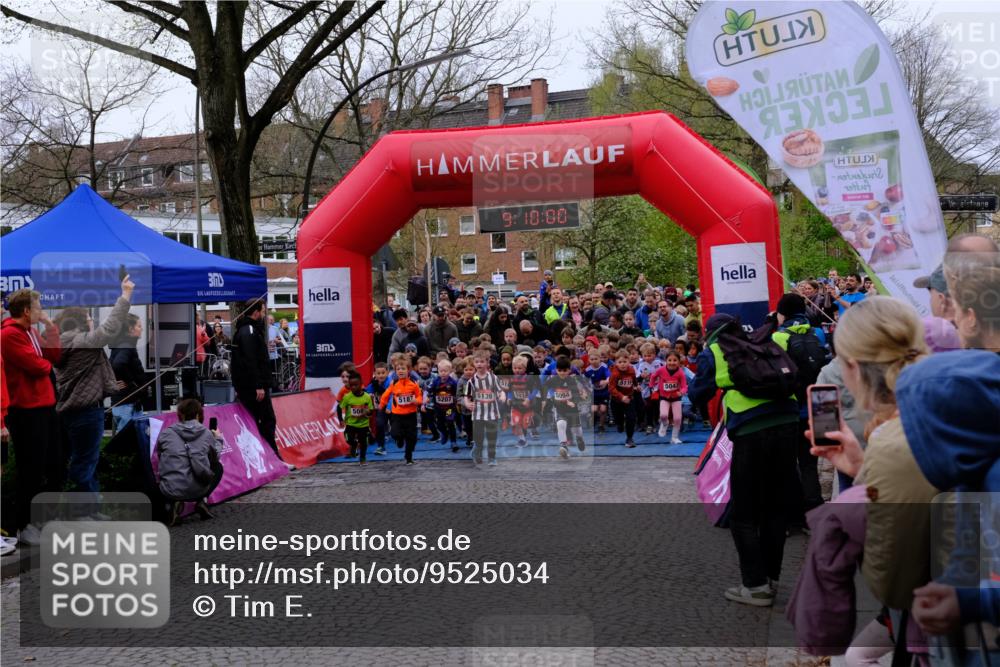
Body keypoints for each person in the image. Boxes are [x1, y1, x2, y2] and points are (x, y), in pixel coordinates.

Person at [689, 312, 800, 607]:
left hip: (753, 432)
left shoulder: (713, 351)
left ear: (710, 333)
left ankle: (755, 586)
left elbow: (698, 393)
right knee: (775, 508)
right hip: (789, 424)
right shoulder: (766, 340)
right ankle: (771, 579)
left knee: (743, 513)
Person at [54, 275, 134, 515]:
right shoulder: (81, 343)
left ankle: (91, 508)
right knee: (85, 461)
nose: (92, 322)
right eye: (89, 318)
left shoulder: (62, 343)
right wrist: (126, 295)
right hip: (87, 411)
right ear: (80, 323)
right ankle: (84, 512)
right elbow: (109, 329)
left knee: (85, 459)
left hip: (72, 411)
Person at [0, 288, 62, 545]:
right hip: (26, 410)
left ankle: (43, 518)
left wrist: (50, 327)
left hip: (45, 406)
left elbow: (53, 356)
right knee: (31, 469)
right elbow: (38, 366)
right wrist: (45, 363)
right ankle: (23, 524)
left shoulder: (32, 332)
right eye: (38, 308)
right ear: (26, 311)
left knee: (56, 463)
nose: (41, 312)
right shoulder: (9, 335)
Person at [156, 397, 223, 526]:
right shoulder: (207, 434)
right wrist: (218, 439)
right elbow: (215, 457)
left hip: (170, 489)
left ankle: (174, 504)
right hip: (198, 489)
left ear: (180, 415)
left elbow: (160, 457)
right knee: (218, 467)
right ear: (198, 415)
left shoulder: (166, 433)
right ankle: (201, 501)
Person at [231, 298, 281, 460]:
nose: (265, 314)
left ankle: (269, 456)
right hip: (252, 387)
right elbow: (250, 360)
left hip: (250, 385)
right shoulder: (249, 331)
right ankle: (272, 457)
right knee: (267, 420)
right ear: (256, 311)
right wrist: (258, 385)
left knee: (264, 420)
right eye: (263, 310)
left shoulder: (248, 330)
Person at [463, 350, 506, 467]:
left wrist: (502, 396)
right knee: (479, 437)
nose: (479, 364)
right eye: (477, 362)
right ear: (474, 363)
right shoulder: (471, 381)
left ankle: (492, 458)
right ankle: (478, 453)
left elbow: (500, 390)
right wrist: (467, 403)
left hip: (492, 413)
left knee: (492, 437)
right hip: (478, 414)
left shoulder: (493, 378)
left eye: (482, 362)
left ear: (487, 363)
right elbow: (467, 396)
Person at [379, 356, 422, 464]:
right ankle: (399, 439)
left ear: (408, 370)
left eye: (403, 369)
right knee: (395, 433)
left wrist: (416, 401)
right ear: (395, 371)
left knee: (412, 437)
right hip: (397, 414)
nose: (400, 371)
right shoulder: (394, 383)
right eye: (398, 369)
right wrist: (382, 405)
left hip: (411, 415)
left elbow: (419, 397)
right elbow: (386, 395)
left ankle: (409, 457)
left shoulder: (414, 384)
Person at [109, 313, 145, 434]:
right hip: (126, 403)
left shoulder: (121, 344)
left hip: (127, 401)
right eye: (139, 326)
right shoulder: (126, 346)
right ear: (130, 329)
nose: (142, 329)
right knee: (126, 440)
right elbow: (118, 365)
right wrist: (132, 383)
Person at [547, 356, 588, 458]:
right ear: (556, 370)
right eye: (559, 370)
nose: (562, 373)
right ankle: (563, 446)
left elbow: (576, 394)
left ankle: (579, 439)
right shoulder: (553, 380)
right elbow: (544, 387)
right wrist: (549, 397)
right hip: (560, 408)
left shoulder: (571, 381)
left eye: (564, 370)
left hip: (572, 409)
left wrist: (573, 402)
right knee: (561, 424)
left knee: (576, 430)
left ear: (569, 370)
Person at [651, 352, 687, 443]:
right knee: (663, 415)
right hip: (664, 397)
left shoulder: (680, 373)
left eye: (675, 360)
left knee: (678, 418)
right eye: (669, 360)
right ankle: (665, 424)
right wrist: (652, 385)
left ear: (679, 362)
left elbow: (684, 386)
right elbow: (653, 376)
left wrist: (681, 392)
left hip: (676, 398)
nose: (672, 362)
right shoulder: (661, 370)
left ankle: (674, 437)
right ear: (666, 361)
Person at [339, 371, 374, 465]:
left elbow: (371, 410)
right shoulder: (347, 397)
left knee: (364, 443)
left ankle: (362, 458)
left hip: (363, 424)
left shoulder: (367, 397)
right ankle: (353, 444)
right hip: (351, 423)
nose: (353, 387)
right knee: (348, 439)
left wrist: (367, 412)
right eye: (351, 385)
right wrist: (340, 419)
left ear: (361, 384)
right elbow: (339, 407)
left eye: (356, 385)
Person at [427, 359, 459, 452]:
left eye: (446, 371)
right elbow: (429, 390)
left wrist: (458, 399)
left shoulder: (453, 382)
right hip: (439, 408)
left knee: (450, 423)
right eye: (441, 371)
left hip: (449, 408)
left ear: (450, 371)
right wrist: (427, 397)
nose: (443, 373)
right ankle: (444, 433)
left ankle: (453, 442)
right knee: (440, 423)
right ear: (438, 371)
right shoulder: (435, 381)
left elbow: (458, 392)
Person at [609, 350, 638, 448]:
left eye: (625, 362)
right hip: (616, 400)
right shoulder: (615, 374)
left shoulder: (631, 370)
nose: (622, 364)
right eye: (620, 362)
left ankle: (629, 438)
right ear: (616, 363)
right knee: (618, 418)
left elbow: (634, 380)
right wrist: (621, 397)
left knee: (631, 418)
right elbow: (611, 388)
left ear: (629, 361)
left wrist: (636, 386)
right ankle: (620, 424)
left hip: (629, 398)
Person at [583, 351, 610, 433]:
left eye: (596, 359)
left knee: (603, 409)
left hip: (604, 392)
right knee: (594, 410)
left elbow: (609, 376)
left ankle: (601, 425)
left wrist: (606, 381)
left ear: (600, 359)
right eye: (592, 359)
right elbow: (584, 382)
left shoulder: (604, 367)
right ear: (589, 360)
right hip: (594, 393)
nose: (594, 361)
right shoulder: (587, 370)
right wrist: (586, 389)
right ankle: (592, 420)